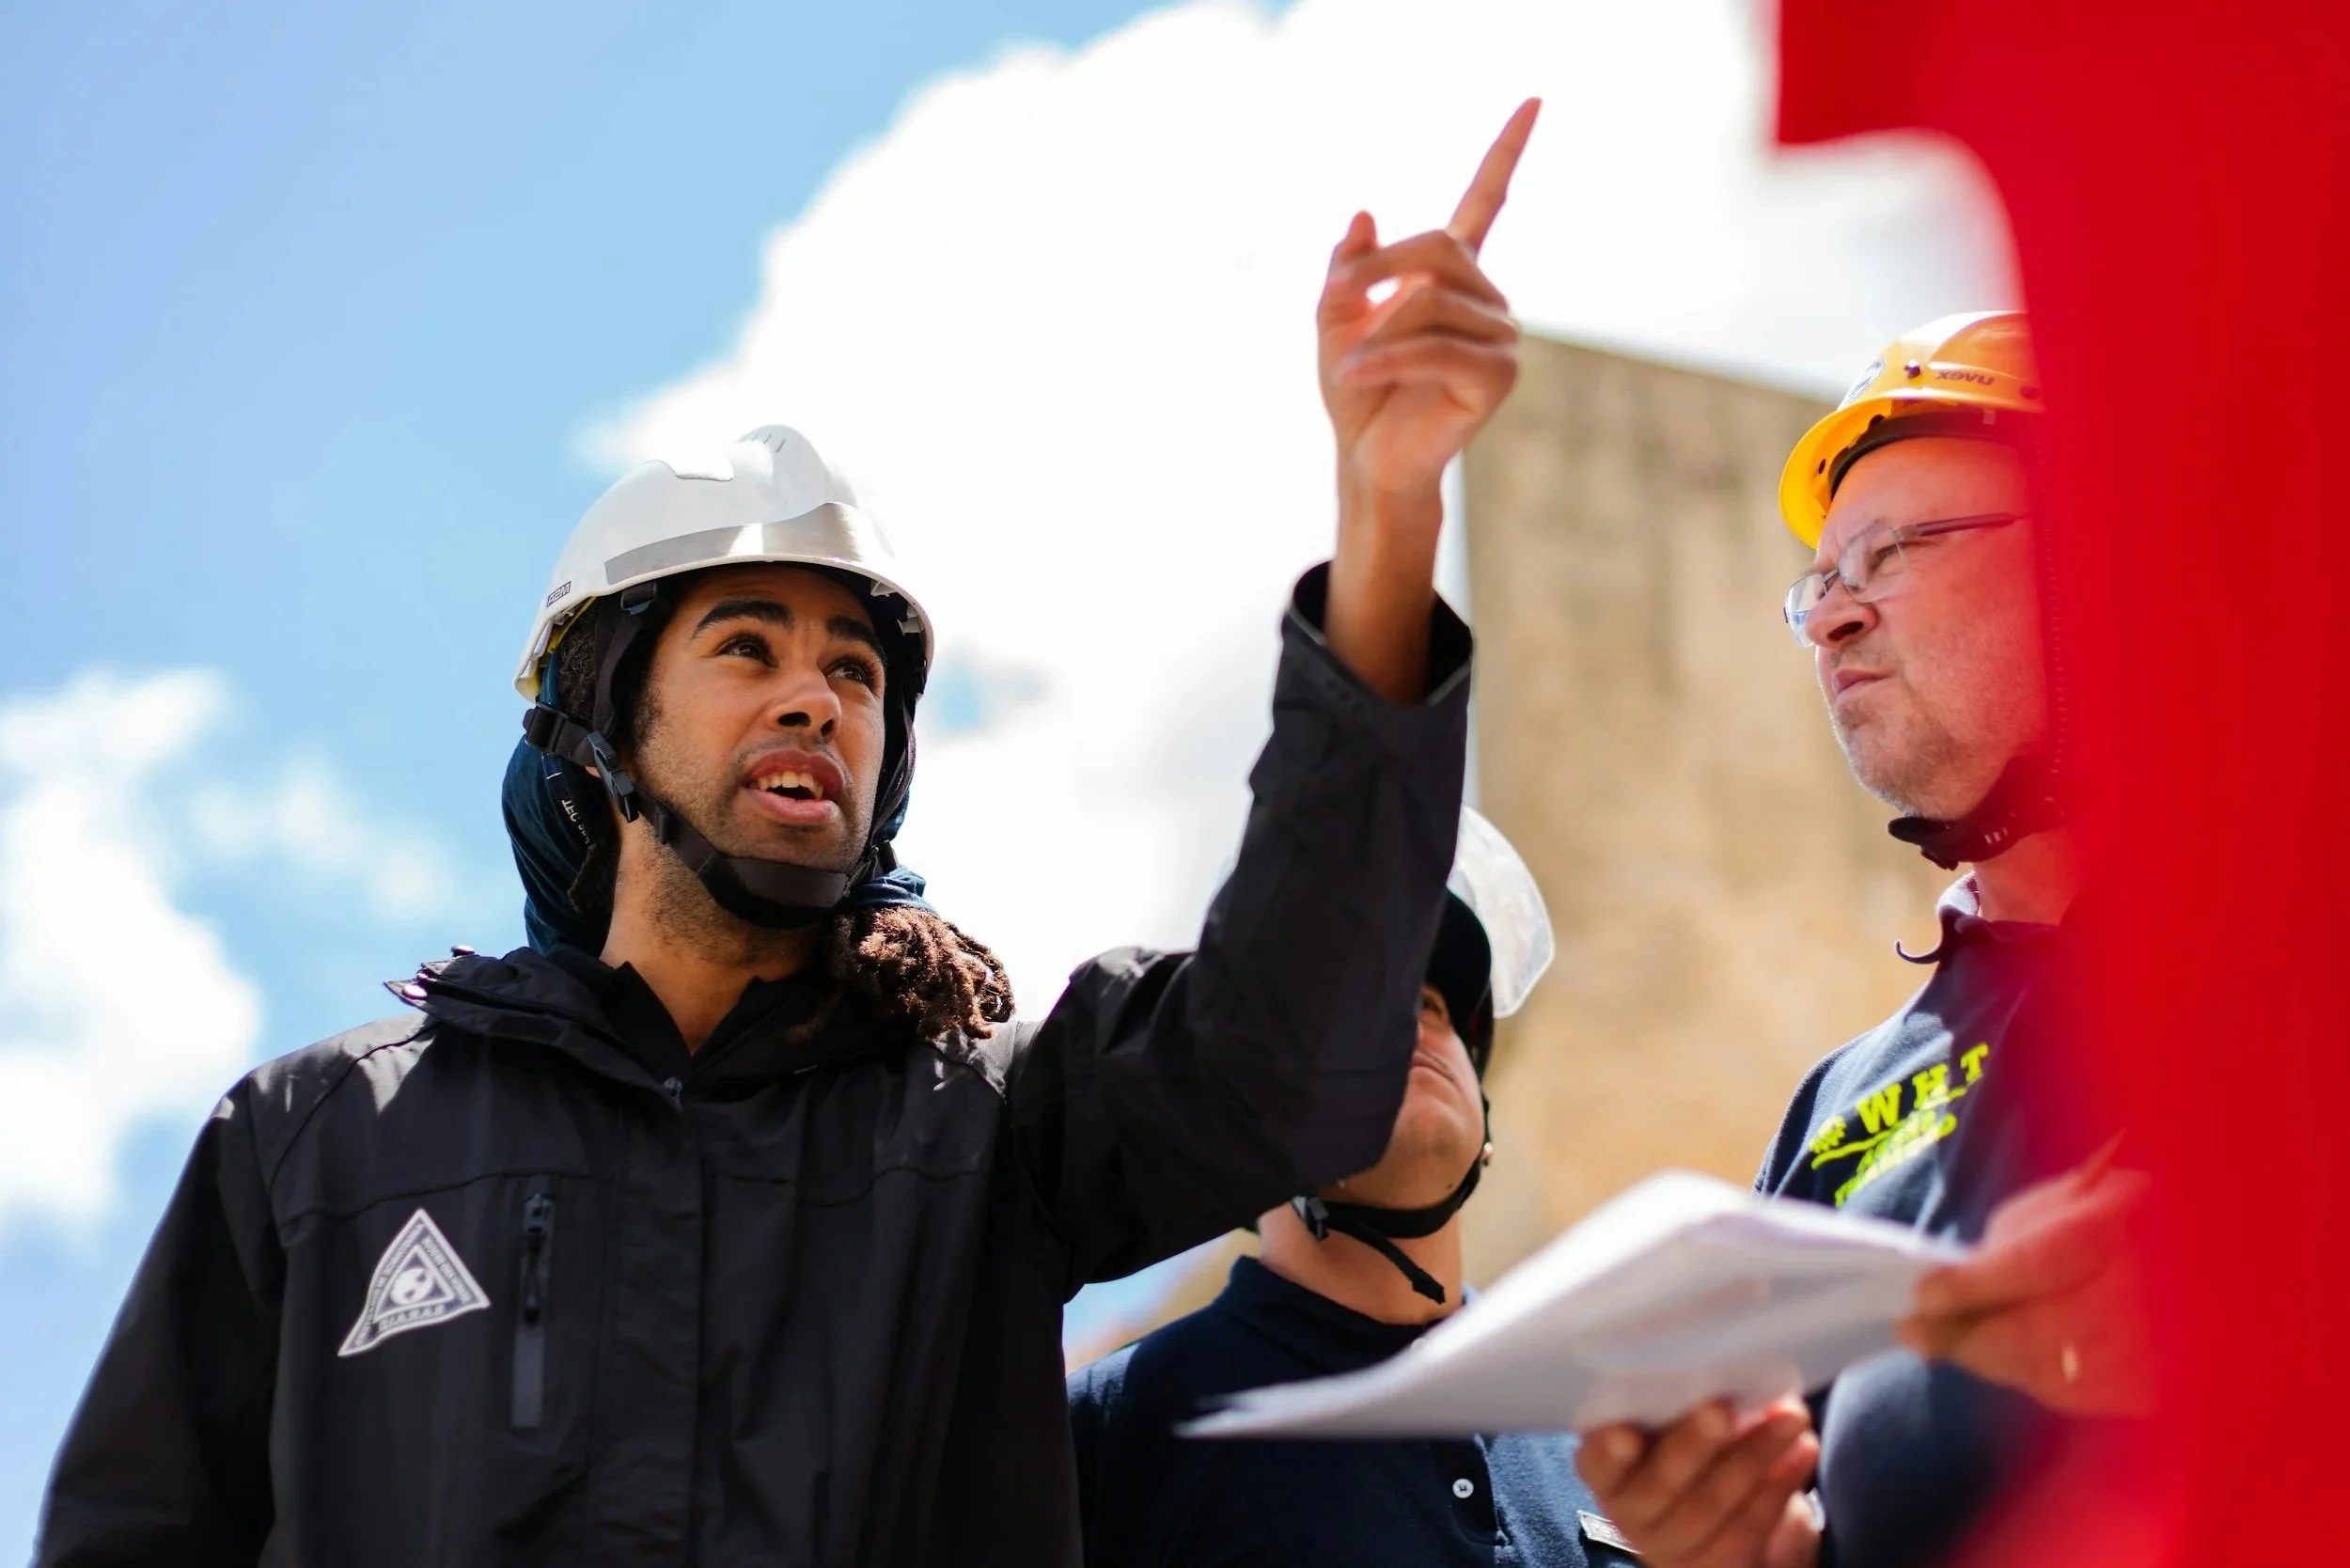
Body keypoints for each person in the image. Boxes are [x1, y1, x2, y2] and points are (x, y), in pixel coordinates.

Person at [33, 102, 1542, 1568]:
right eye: (747, 648)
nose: (816, 700)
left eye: (856, 673)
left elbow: (1298, 1030)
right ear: (600, 724)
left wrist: (1388, 506)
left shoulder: (997, 1127)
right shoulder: (318, 1145)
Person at [1574, 311, 2141, 1568]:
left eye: (1895, 553)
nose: (1832, 621)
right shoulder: (1845, 1102)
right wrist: (1744, 1549)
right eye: (1821, 584)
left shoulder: (2292, 955)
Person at [1069, 809, 1641, 1568]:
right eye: (1352, 1006)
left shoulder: (1609, 1436)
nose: (1409, 1020)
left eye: (1433, 1005)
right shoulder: (1110, 1435)